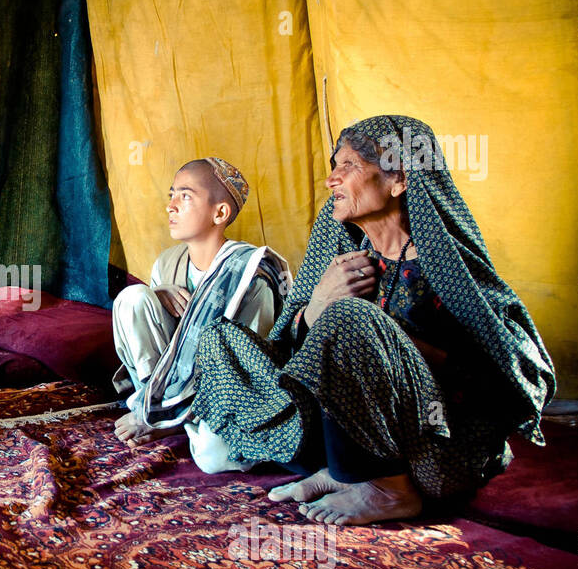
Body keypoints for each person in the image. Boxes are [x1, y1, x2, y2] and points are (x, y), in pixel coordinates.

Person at [191, 115, 555, 525]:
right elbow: (288, 355)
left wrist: (387, 344)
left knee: (349, 318)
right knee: (220, 340)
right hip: (344, 439)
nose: (332, 180)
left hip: (433, 453)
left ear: (399, 181)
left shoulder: (445, 267)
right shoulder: (346, 260)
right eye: (334, 167)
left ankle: (387, 489)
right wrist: (316, 307)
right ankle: (343, 473)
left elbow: (504, 384)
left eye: (348, 167)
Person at [111, 158, 287, 471]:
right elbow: (155, 341)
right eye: (171, 195)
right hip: (166, 385)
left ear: (220, 213)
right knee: (132, 298)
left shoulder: (248, 276)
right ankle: (158, 409)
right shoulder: (168, 263)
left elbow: (249, 370)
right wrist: (158, 294)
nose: (171, 206)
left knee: (213, 458)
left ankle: (169, 419)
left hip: (223, 394)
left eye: (185, 196)